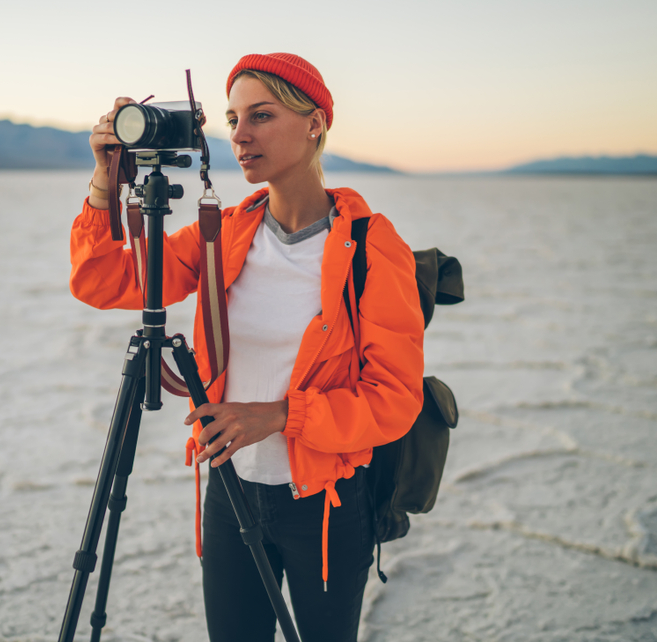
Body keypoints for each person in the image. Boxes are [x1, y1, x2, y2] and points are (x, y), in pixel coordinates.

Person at [70, 53, 424, 642]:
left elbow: (394, 399)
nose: (240, 135)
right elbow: (103, 281)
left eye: (261, 115)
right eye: (233, 119)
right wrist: (106, 182)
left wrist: (280, 416)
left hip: (328, 506)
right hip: (230, 494)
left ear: (314, 122)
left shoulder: (370, 247)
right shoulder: (223, 233)